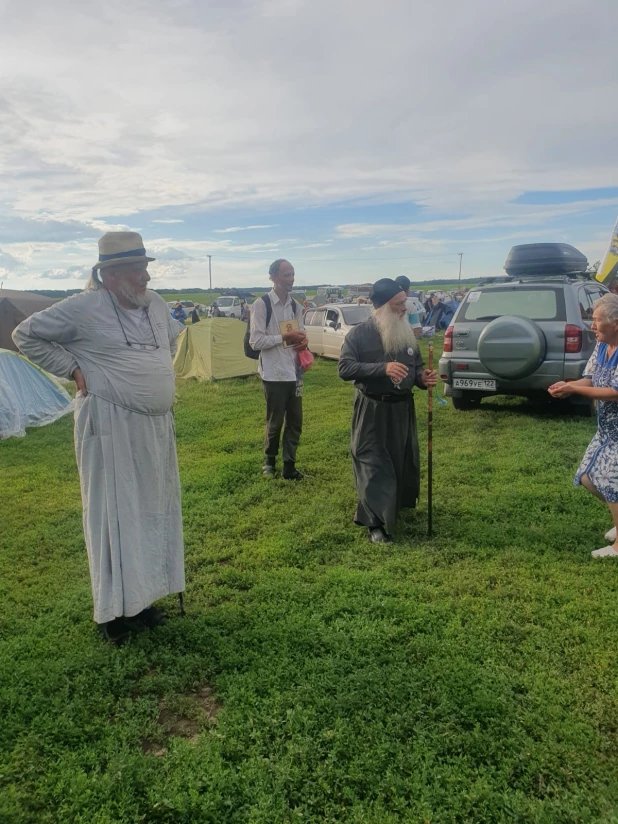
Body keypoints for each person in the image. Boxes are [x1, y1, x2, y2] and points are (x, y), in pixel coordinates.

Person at [12, 232, 185, 644]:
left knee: (151, 509)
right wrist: (73, 367)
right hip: (109, 424)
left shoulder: (156, 304)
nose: (145, 275)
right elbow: (25, 335)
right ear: (110, 274)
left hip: (156, 429)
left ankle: (145, 601)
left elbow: (173, 336)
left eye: (146, 267)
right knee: (114, 513)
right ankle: (113, 615)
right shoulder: (83, 307)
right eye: (136, 268)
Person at [338, 278, 438, 543]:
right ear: (382, 306)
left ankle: (394, 506)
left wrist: (422, 378)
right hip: (372, 409)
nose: (405, 308)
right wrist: (381, 368)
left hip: (401, 410)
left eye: (405, 302)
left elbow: (415, 367)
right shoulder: (358, 335)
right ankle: (375, 523)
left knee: (399, 459)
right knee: (373, 463)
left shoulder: (406, 332)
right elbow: (345, 369)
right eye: (399, 304)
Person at [549, 293, 618, 558]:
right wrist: (568, 387)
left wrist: (574, 390)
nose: (592, 325)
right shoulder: (601, 346)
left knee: (611, 481)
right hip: (606, 430)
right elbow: (590, 379)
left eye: (597, 320)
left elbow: (614, 392)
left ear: (616, 323)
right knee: (589, 478)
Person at [249, 259, 308, 480]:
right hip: (273, 373)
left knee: (295, 421)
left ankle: (289, 465)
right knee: (275, 421)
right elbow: (255, 342)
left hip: (294, 372)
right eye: (286, 275)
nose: (291, 279)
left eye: (292, 274)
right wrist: (285, 336)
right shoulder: (262, 304)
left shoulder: (296, 306)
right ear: (273, 277)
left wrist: (302, 341)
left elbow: (300, 334)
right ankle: (269, 462)